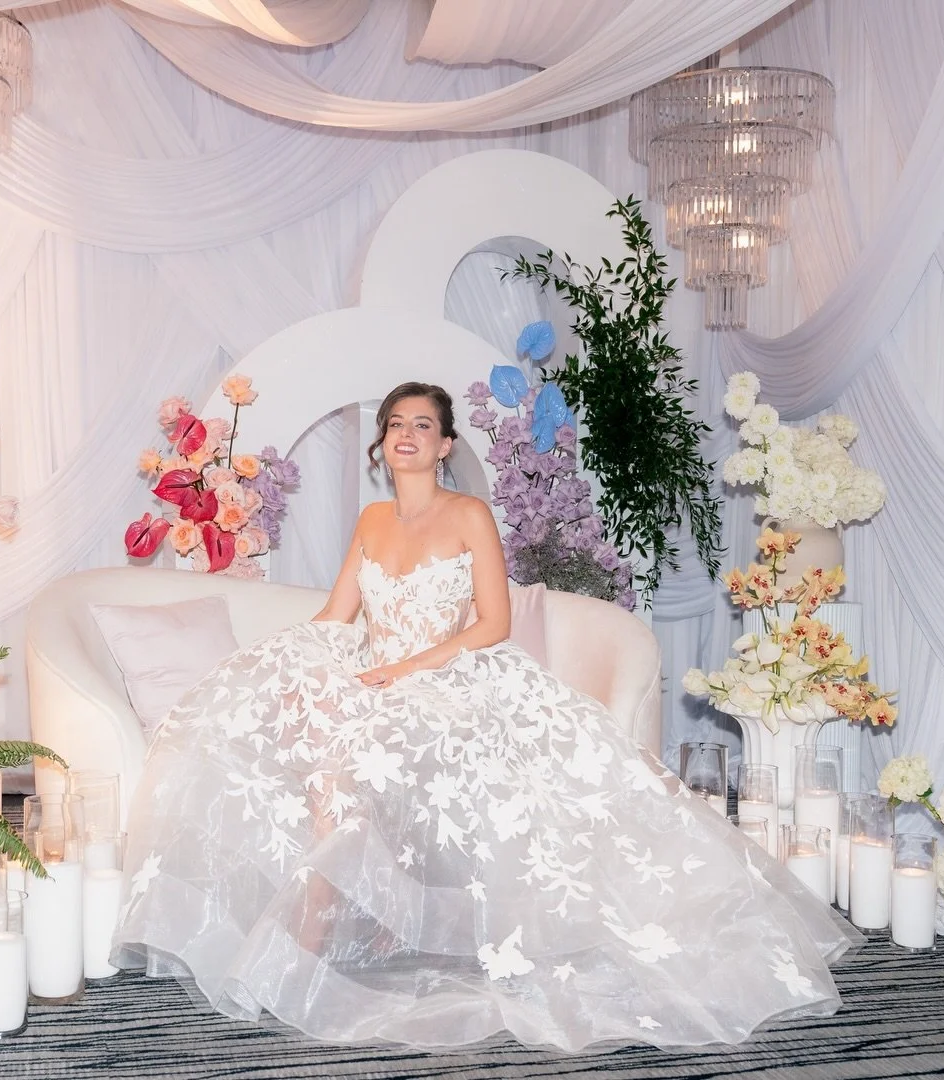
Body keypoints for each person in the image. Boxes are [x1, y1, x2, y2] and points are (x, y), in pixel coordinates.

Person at [113, 381, 856, 1052]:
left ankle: (309, 943)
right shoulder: (372, 519)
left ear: (445, 444)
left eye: (423, 424)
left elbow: (493, 623)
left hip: (456, 676)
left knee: (345, 762)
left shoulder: (468, 514)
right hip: (382, 679)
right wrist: (285, 670)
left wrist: (404, 669)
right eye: (396, 423)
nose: (407, 434)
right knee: (307, 734)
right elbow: (336, 616)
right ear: (382, 445)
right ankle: (346, 919)